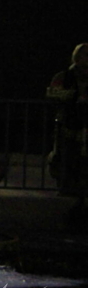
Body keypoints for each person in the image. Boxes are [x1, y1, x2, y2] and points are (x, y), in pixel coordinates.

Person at [48, 43, 88, 196]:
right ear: (77, 58)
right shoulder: (64, 76)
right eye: (86, 55)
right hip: (68, 127)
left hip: (85, 128)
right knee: (66, 162)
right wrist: (70, 97)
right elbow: (52, 94)